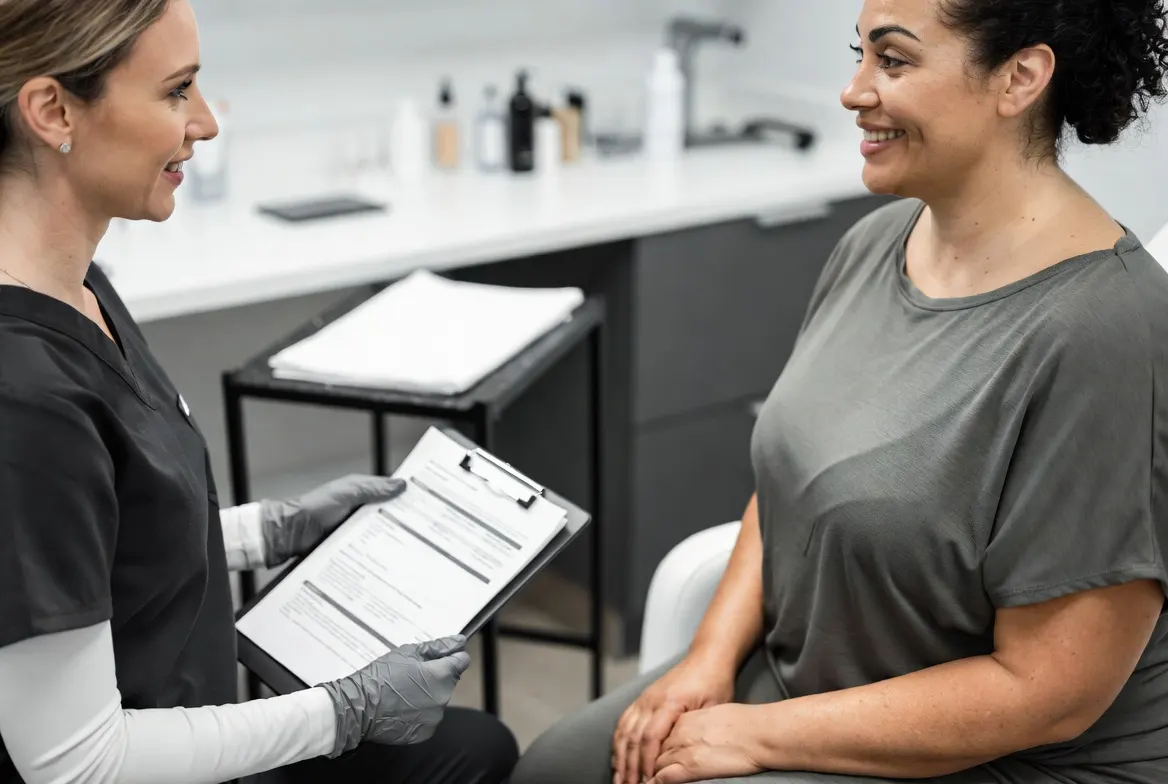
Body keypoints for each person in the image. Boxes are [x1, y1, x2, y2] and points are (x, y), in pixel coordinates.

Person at [510, 0, 1168, 782]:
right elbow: (789, 480)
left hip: (1003, 755)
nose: (854, 90)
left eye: (892, 61)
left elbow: (1051, 692)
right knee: (552, 768)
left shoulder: (1107, 332)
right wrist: (707, 659)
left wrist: (756, 738)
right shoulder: (875, 243)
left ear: (1019, 78)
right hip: (814, 687)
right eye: (860, 55)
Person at [0, 1, 518, 783]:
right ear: (52, 109)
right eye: (176, 92)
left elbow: (102, 543)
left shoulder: (80, 285)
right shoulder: (23, 396)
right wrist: (347, 711)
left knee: (477, 745)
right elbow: (77, 764)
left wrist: (265, 533)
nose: (204, 124)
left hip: (183, 720)